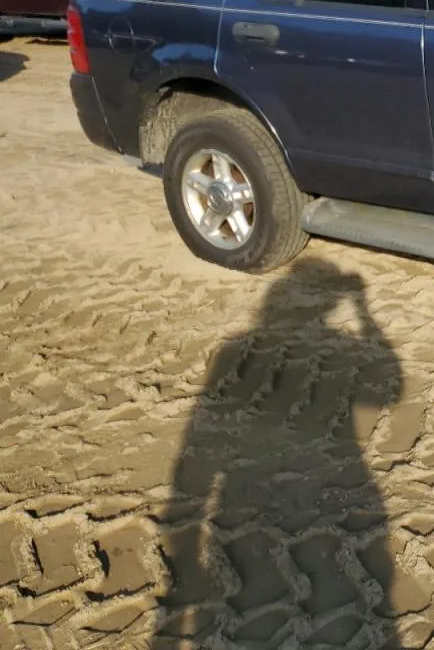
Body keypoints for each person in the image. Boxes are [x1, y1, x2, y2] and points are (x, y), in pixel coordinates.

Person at [150, 259, 403, 648]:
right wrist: (362, 309)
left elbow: (197, 446)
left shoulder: (234, 349)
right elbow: (390, 389)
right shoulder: (238, 350)